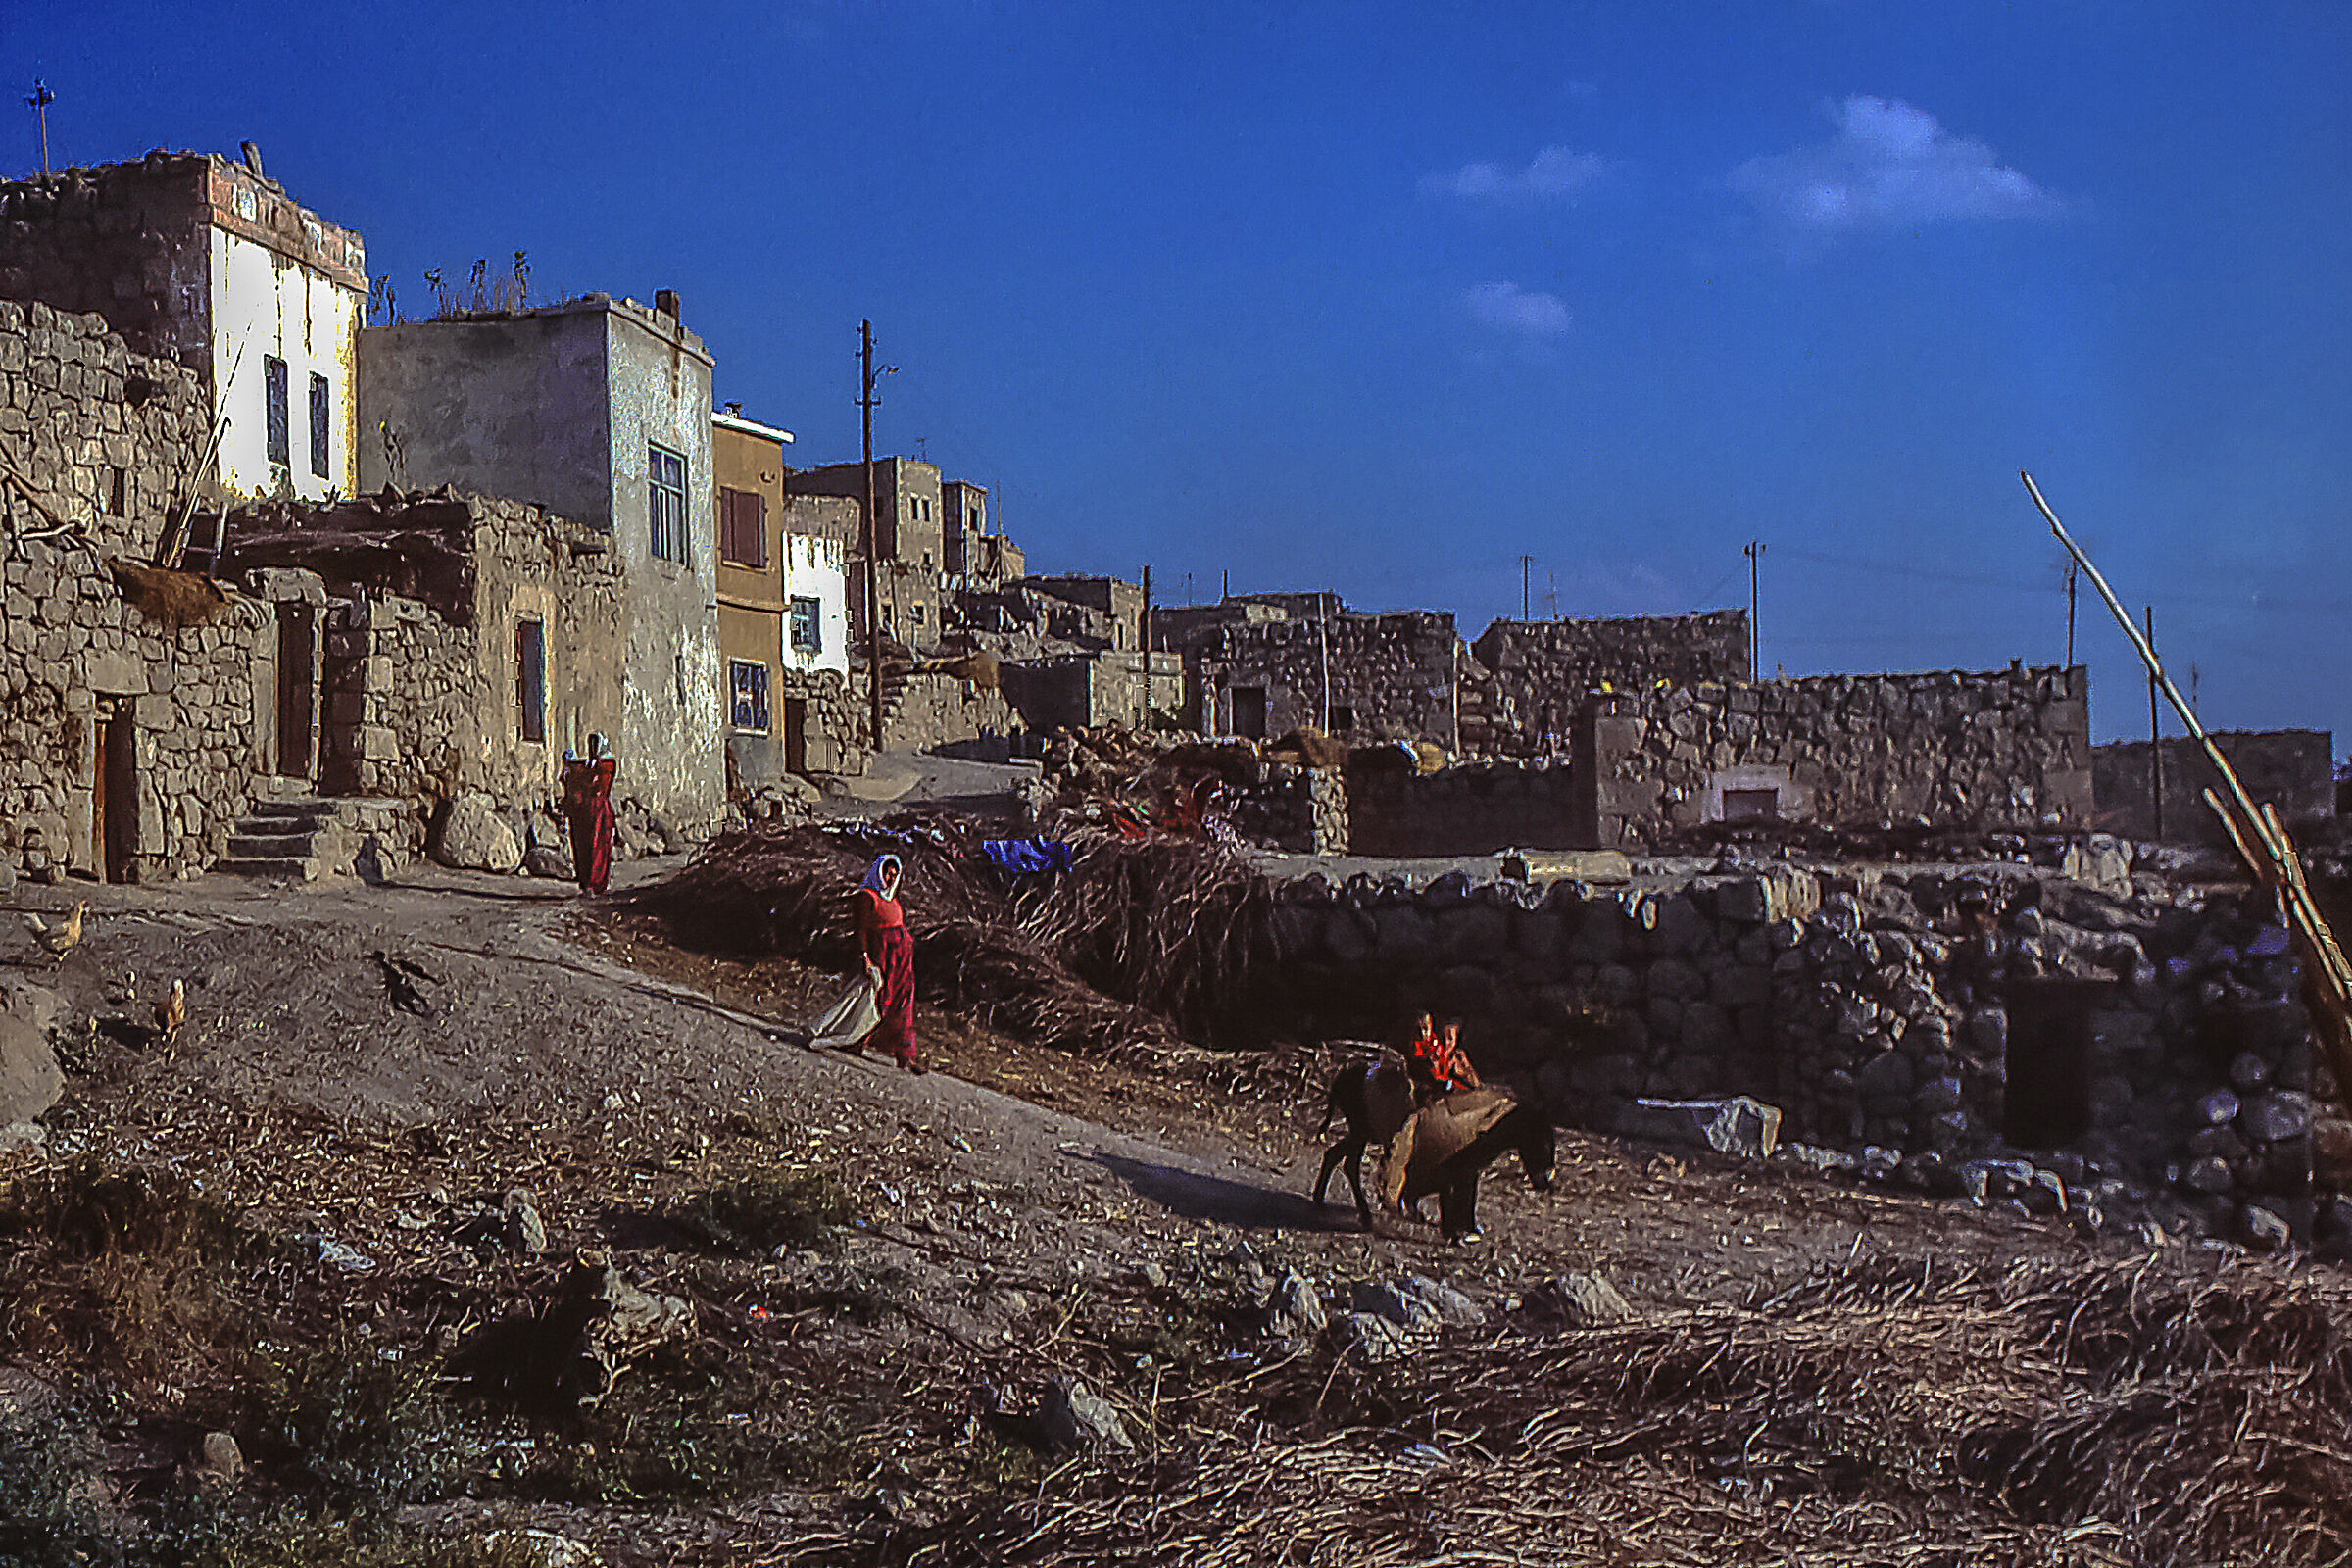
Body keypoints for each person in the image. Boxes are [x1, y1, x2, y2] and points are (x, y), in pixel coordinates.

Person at [853, 853, 923, 1074]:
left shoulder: (892, 900)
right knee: (879, 1000)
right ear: (878, 872)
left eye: (894, 875)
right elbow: (862, 930)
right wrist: (865, 957)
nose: (890, 879)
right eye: (887, 874)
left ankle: (906, 1055)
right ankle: (858, 1040)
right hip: (883, 957)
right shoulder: (867, 897)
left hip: (902, 962)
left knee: (903, 1005)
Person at [559, 734, 617, 894]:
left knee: (597, 847)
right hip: (584, 814)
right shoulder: (588, 767)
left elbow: (596, 784)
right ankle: (586, 881)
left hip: (598, 813)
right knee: (583, 846)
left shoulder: (606, 765)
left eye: (594, 745)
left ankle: (596, 882)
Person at [1405, 1016, 1480, 1101]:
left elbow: (1475, 1084)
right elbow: (1436, 1083)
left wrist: (1465, 1070)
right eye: (1446, 1037)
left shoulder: (1457, 1055)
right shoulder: (1432, 1051)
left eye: (1451, 1038)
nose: (1448, 1042)